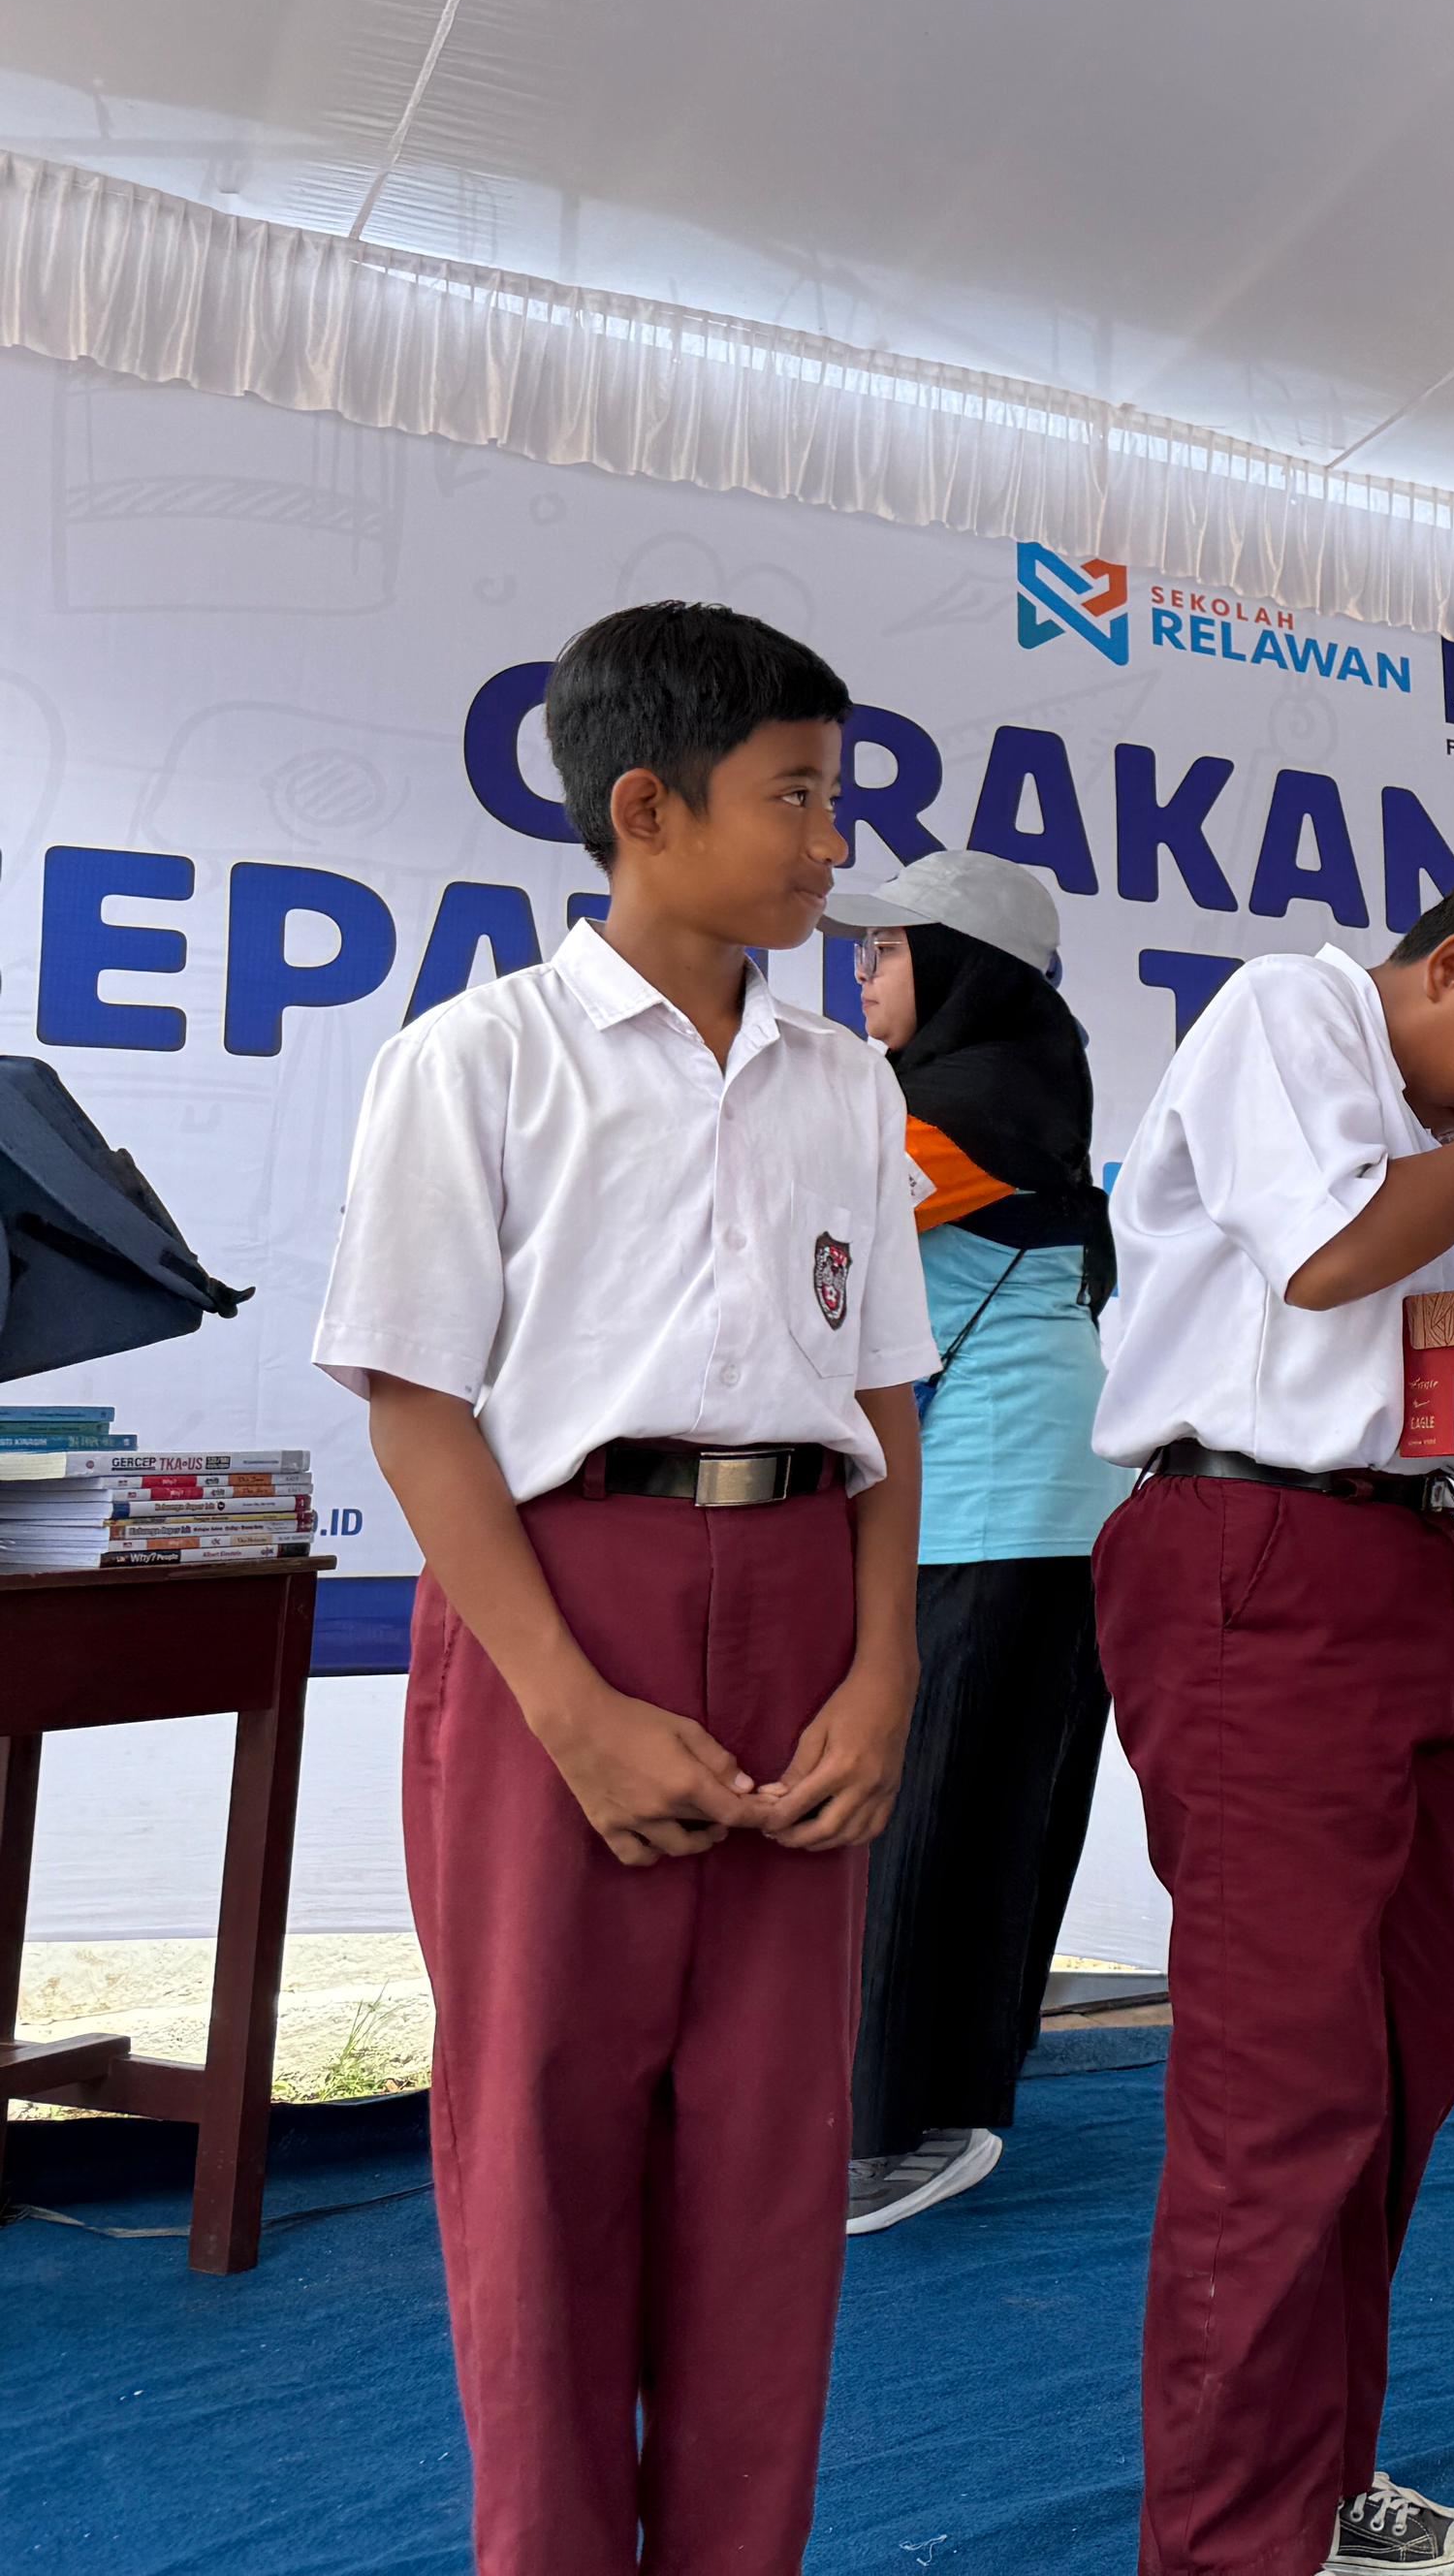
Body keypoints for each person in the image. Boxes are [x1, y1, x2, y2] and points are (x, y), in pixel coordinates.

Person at [315, 600, 934, 2576]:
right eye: (799, 798)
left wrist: (884, 1668)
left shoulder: (844, 1089)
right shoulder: (476, 1063)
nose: (835, 845)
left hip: (801, 1604)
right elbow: (420, 1416)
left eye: (839, 799)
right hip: (558, 1603)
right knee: (545, 2148)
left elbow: (880, 1400)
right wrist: (569, 1709)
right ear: (647, 808)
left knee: (771, 2153)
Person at [1089, 840, 1454, 2576]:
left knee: (1408, 2059)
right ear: (1449, 967)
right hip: (1251, 1563)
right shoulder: (1291, 1009)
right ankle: (1227, 2542)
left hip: (1395, 1569)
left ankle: (1313, 2480)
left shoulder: (1422, 1140)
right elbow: (1332, 1264)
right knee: (1283, 2093)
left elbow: (1375, 1346)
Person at [819, 846, 1126, 2236]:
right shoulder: (1002, 1088)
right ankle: (942, 2100)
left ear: (959, 969)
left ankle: (891, 2127)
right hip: (1023, 1496)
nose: (859, 973)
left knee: (931, 1808)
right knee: (985, 1802)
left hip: (996, 1498)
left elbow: (809, 1234)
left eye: (882, 952)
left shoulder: (961, 1104)